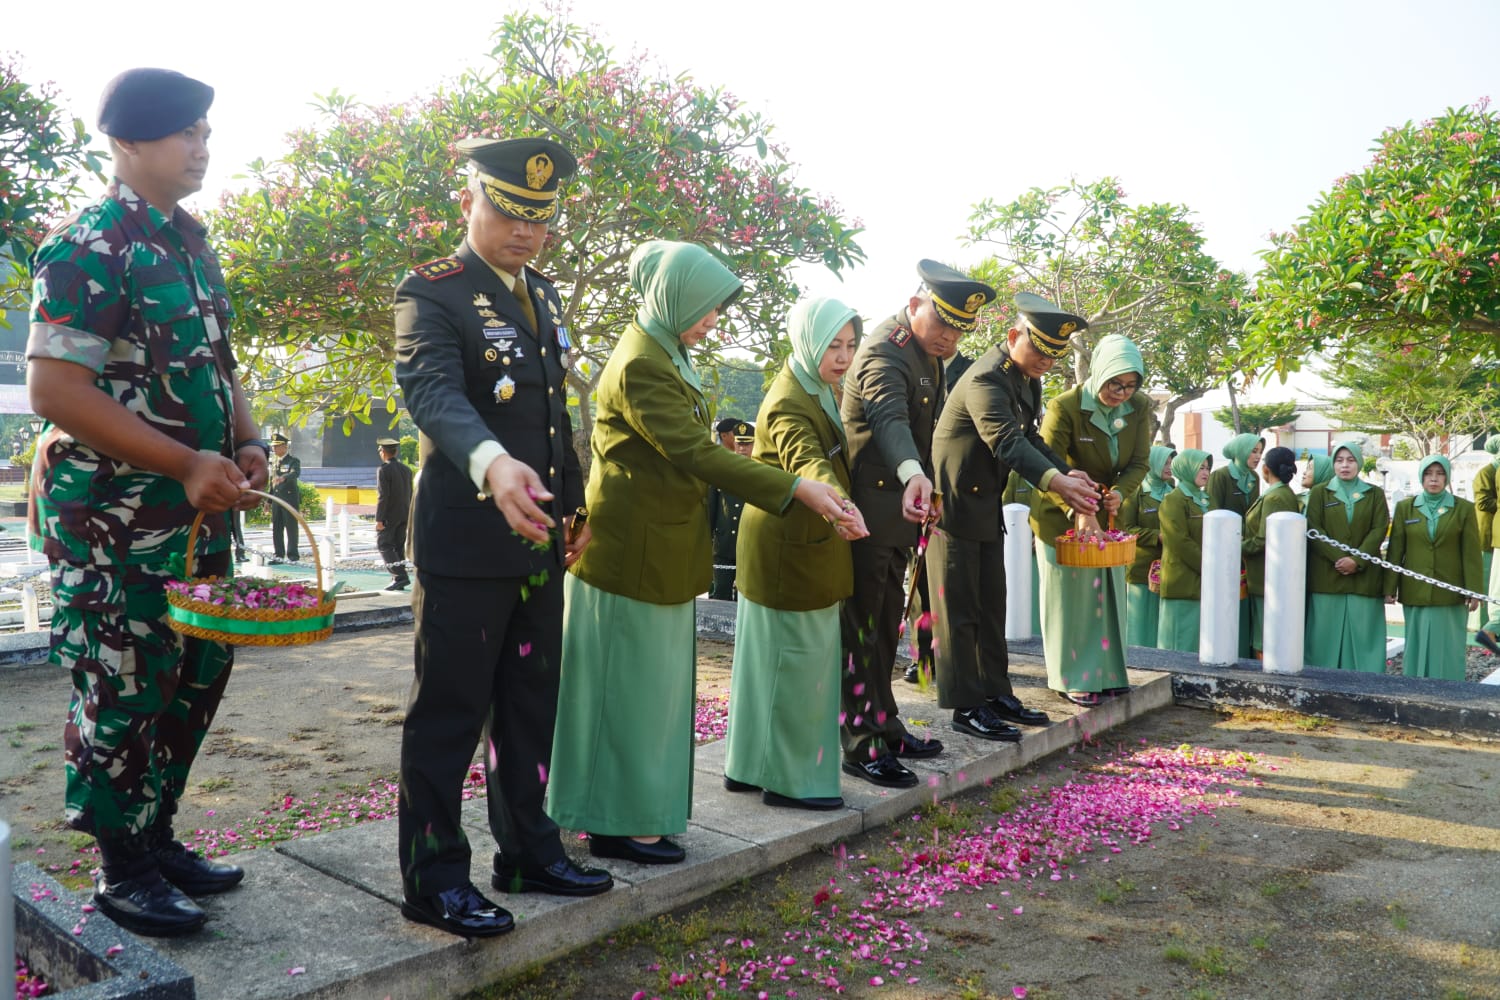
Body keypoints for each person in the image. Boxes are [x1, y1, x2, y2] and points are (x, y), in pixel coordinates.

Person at [26, 67, 267, 936]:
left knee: (197, 672)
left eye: (205, 131)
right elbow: (57, 389)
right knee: (123, 681)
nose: (202, 147)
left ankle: (156, 835)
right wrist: (186, 460)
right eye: (184, 132)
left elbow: (218, 365)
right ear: (127, 141)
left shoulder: (188, 243)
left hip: (195, 518)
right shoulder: (89, 245)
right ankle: (121, 867)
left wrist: (247, 438)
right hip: (113, 525)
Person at [546, 240, 858, 864]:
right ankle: (615, 823)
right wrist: (795, 487)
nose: (713, 319)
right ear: (673, 296)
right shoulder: (642, 363)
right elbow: (694, 451)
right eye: (706, 306)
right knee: (626, 692)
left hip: (656, 551)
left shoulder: (666, 351)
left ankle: (638, 814)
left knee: (650, 693)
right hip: (630, 554)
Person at [393, 135, 613, 939]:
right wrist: (492, 464)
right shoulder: (432, 292)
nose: (526, 232)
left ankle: (528, 850)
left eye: (539, 218)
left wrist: (574, 506)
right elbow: (432, 392)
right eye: (509, 212)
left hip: (537, 542)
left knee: (528, 706)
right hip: (466, 543)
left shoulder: (542, 295)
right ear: (468, 203)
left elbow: (553, 416)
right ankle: (434, 879)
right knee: (448, 714)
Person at [837, 260, 988, 787]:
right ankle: (859, 743)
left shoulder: (928, 352)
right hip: (867, 515)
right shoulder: (885, 349)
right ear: (916, 303)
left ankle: (885, 724)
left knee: (885, 627)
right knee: (862, 630)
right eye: (942, 323)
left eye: (959, 331)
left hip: (899, 514)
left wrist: (925, 483)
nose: (949, 338)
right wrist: (912, 474)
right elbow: (889, 418)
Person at [929, 292, 1102, 736]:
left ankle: (994, 692)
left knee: (992, 604)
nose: (1046, 360)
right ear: (1013, 336)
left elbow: (1032, 438)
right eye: (1039, 349)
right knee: (959, 611)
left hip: (985, 505)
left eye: (1054, 354)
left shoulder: (1025, 379)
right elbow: (1005, 440)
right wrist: (1056, 482)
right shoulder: (986, 378)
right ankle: (966, 706)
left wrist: (1067, 472)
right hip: (953, 507)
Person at [723, 296, 869, 810]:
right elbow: (808, 461)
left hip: (787, 544)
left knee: (767, 664)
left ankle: (747, 767)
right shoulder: (790, 399)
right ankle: (791, 781)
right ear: (809, 342)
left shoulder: (814, 386)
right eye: (833, 345)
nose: (843, 357)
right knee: (799, 666)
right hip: (791, 549)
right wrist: (841, 506)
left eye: (850, 345)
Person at [1031, 334, 1150, 705]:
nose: (1121, 393)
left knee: (1107, 595)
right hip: (1061, 512)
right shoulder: (1065, 407)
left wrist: (1121, 493)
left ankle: (1109, 673)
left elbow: (1139, 463)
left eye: (1130, 385)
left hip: (1107, 517)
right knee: (1072, 599)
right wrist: (1078, 511)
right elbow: (1044, 465)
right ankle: (1072, 676)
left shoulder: (1139, 407)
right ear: (1099, 373)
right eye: (1115, 384)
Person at [1386, 454, 1482, 681]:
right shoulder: (1405, 508)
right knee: (1416, 641)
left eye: (1440, 474)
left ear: (1447, 477)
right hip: (1415, 589)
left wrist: (1474, 590)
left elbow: (1471, 552)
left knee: (1448, 643)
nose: (1434, 479)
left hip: (1450, 590)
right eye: (1428, 474)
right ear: (1421, 477)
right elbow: (1396, 550)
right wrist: (1389, 587)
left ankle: (1450, 687)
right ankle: (1414, 685)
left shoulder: (1463, 509)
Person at [1304, 440, 1389, 672]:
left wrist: (1357, 561)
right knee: (1324, 640)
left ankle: (1367, 683)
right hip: (1327, 578)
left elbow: (1378, 529)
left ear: (1359, 463)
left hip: (1364, 579)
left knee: (1364, 639)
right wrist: (1338, 558)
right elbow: (1314, 528)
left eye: (1350, 460)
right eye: (1340, 460)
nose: (1345, 465)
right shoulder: (1320, 492)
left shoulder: (1374, 494)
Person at [1242, 446, 1302, 658]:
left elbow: (1263, 538)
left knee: (1264, 636)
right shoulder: (1280, 494)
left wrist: (1235, 547)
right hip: (1267, 575)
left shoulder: (1275, 497)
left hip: (1266, 575)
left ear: (1265, 469)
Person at [1209, 432, 1263, 658]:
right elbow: (1213, 512)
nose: (1257, 456)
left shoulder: (1254, 478)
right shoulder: (1220, 476)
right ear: (1241, 451)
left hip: (1245, 548)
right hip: (1225, 547)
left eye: (1260, 452)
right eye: (1253, 451)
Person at [1121, 446, 1175, 650]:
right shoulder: (1136, 492)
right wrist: (1156, 536)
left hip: (1167, 566)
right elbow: (1126, 529)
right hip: (1141, 568)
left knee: (1161, 622)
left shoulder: (1173, 492)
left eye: (1171, 462)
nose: (1169, 467)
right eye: (1165, 463)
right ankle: (1136, 660)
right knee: (1140, 622)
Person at [1157, 450, 1212, 652]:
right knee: (1179, 643)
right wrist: (1208, 565)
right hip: (1182, 580)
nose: (1205, 472)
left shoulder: (1206, 499)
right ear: (1187, 468)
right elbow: (1179, 540)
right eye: (1200, 467)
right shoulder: (1174, 500)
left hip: (1204, 580)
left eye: (1207, 468)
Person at [707, 420, 753, 600]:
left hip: (749, 545)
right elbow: (712, 508)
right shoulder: (721, 471)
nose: (742, 448)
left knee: (745, 598)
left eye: (747, 444)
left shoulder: (761, 473)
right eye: (739, 443)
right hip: (724, 545)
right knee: (720, 595)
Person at [374, 437, 413, 592]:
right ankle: (399, 580)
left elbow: (383, 496)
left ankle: (399, 577)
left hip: (390, 515)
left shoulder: (384, 470)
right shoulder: (406, 469)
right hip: (404, 513)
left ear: (383, 452)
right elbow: (410, 493)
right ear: (395, 452)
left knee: (384, 544)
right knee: (398, 546)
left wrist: (379, 519)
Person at [1472, 439, 1500, 652]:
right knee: (1492, 583)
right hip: (1488, 533)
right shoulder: (1487, 472)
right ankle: (1490, 628)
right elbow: (1482, 501)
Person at [268, 431, 301, 562]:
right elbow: (272, 483)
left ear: (285, 446)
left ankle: (293, 556)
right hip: (277, 501)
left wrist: (283, 478)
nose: (274, 448)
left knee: (291, 528)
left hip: (289, 500)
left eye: (277, 446)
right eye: (273, 446)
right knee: (277, 528)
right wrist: (268, 501)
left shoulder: (293, 461)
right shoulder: (275, 462)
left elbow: (295, 473)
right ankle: (278, 555)